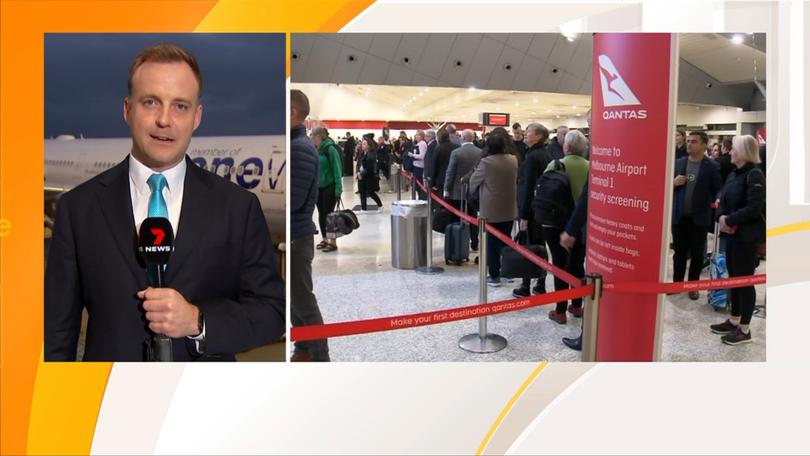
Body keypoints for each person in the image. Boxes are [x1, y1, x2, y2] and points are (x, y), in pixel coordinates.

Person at [44, 44, 285, 361]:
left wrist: (199, 321)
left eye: (180, 106)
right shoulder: (79, 208)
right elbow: (57, 332)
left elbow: (272, 313)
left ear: (197, 117)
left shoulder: (238, 208)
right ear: (128, 109)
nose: (164, 120)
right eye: (151, 102)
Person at [710, 135, 765, 345]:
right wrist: (722, 217)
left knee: (745, 282)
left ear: (742, 152)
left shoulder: (755, 175)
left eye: (733, 149)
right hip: (731, 235)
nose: (730, 152)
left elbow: (754, 208)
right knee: (734, 279)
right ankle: (734, 320)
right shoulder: (734, 175)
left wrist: (730, 220)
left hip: (746, 238)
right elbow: (721, 199)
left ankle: (745, 329)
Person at [289, 90, 330, 362]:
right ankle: (304, 348)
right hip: (294, 236)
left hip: (297, 238)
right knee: (296, 301)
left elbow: (292, 200)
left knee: (304, 301)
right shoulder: (295, 145)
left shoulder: (299, 149)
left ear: (292, 112)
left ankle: (320, 357)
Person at [545, 130, 590, 325]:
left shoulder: (556, 165)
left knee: (559, 265)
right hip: (581, 224)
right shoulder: (591, 167)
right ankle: (577, 304)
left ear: (566, 147)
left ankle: (560, 310)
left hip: (557, 223)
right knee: (577, 264)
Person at [671, 131, 722, 300]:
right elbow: (664, 187)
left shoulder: (712, 166)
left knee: (697, 254)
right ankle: (677, 284)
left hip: (699, 218)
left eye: (694, 141)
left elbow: (718, 190)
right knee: (679, 252)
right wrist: (673, 183)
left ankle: (693, 286)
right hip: (679, 217)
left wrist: (717, 201)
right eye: (689, 141)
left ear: (703, 145)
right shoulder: (678, 163)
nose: (690, 144)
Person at [469, 133, 518, 286]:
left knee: (491, 243)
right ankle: (508, 272)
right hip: (509, 207)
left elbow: (473, 183)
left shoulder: (486, 162)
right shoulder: (513, 159)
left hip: (490, 209)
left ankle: (494, 275)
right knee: (506, 239)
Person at [513, 123, 552, 298]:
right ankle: (541, 283)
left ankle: (526, 285)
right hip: (542, 209)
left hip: (531, 209)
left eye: (528, 132)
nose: (525, 134)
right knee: (540, 247)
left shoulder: (532, 157)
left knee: (528, 248)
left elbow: (528, 186)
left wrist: (523, 216)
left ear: (538, 136)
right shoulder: (546, 153)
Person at [444, 129, 482, 250]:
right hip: (474, 191)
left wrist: (446, 189)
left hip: (457, 191)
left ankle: (456, 243)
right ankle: (475, 242)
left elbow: (450, 172)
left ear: (463, 138)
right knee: (473, 217)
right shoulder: (480, 152)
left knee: (455, 218)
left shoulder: (456, 152)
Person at [311, 125, 343, 253]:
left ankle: (333, 241)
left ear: (318, 136)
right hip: (319, 188)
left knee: (330, 216)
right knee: (321, 214)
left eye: (313, 135)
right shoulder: (317, 150)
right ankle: (325, 238)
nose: (312, 138)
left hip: (330, 187)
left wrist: (338, 189)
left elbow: (337, 169)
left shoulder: (330, 149)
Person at [357, 136, 383, 212]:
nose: (362, 145)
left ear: (368, 145)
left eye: (364, 144)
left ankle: (380, 205)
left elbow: (369, 167)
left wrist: (362, 174)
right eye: (362, 144)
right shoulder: (361, 154)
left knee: (370, 192)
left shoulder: (371, 154)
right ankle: (363, 208)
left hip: (369, 176)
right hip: (361, 175)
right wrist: (358, 173)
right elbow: (359, 164)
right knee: (362, 192)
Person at [408, 129, 428, 199]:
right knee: (417, 185)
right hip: (416, 166)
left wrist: (412, 155)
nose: (416, 136)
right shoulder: (419, 144)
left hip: (419, 167)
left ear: (421, 136)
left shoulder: (422, 144)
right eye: (415, 135)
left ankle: (422, 198)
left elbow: (422, 156)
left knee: (419, 185)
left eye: (417, 135)